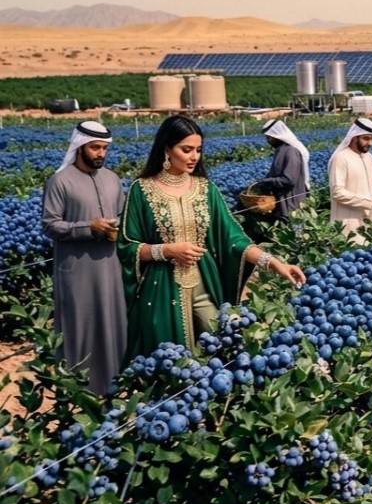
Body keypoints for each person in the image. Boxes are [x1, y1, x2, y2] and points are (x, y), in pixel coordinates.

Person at [117, 116, 307, 358]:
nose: (194, 156)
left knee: (221, 345)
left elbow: (235, 240)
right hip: (161, 290)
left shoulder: (205, 189)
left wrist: (275, 264)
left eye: (198, 150)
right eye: (186, 150)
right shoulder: (141, 190)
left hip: (204, 283)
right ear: (167, 149)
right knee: (168, 362)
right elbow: (126, 247)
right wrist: (166, 251)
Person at [41, 121, 127, 394]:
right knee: (81, 326)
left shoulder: (113, 179)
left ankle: (115, 384)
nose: (100, 153)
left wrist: (119, 228)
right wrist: (87, 228)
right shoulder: (60, 181)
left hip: (110, 267)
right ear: (80, 147)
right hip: (77, 270)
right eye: (95, 147)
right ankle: (80, 390)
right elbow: (50, 225)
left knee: (113, 321)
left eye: (104, 148)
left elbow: (124, 216)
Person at [328, 117, 372, 245]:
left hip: (370, 222)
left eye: (371, 139)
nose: (370, 143)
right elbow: (337, 192)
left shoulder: (370, 158)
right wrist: (370, 202)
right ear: (354, 137)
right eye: (366, 138)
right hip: (348, 224)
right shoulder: (341, 158)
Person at [258, 118, 311, 222]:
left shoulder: (290, 152)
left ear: (277, 136)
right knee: (285, 234)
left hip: (292, 204)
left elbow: (289, 180)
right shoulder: (280, 151)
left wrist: (267, 182)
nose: (267, 140)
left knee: (297, 232)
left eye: (269, 137)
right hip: (283, 204)